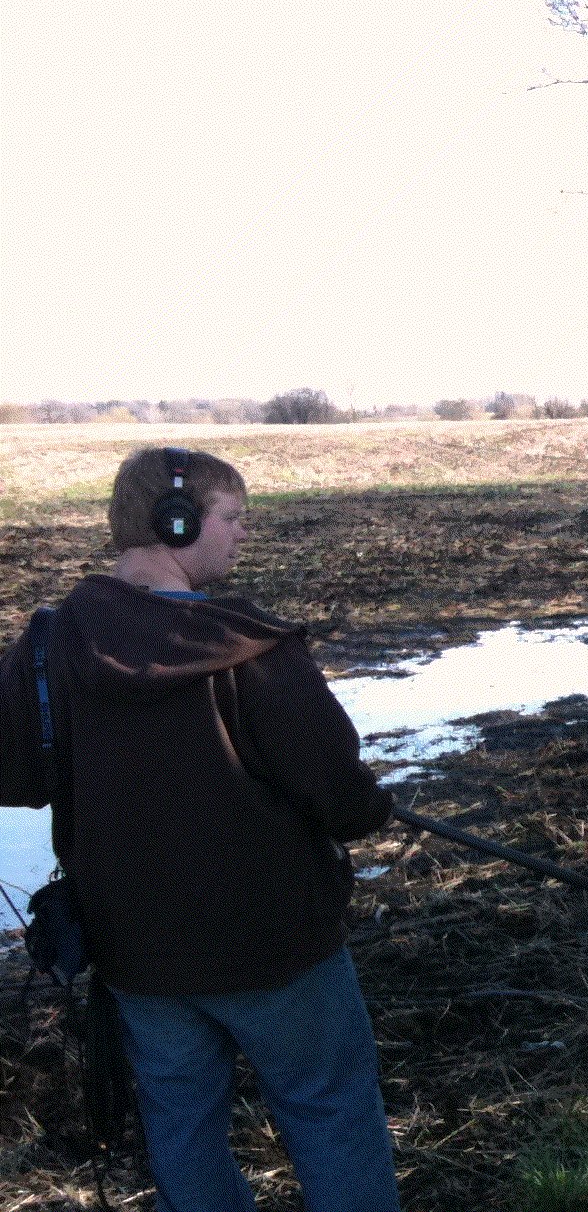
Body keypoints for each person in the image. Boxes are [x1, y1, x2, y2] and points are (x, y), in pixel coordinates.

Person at [0, 446, 399, 1212]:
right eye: (233, 518)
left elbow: (13, 771)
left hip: (140, 958)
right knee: (332, 1114)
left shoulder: (49, 646)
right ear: (175, 522)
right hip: (278, 948)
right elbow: (341, 793)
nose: (243, 535)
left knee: (181, 1130)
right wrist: (371, 810)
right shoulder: (253, 649)